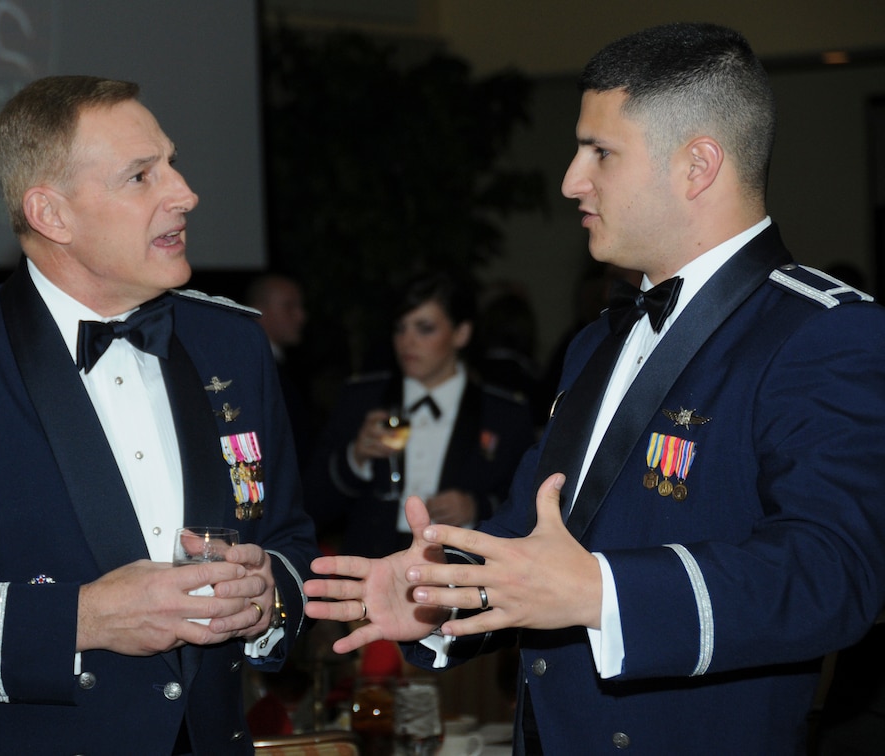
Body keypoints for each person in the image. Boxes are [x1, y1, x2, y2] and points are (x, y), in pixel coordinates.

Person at [303, 23, 885, 755]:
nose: (571, 180)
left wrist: (602, 592)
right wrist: (440, 590)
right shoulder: (597, 342)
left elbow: (835, 573)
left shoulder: (821, 331)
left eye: (600, 152)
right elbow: (536, 536)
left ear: (698, 165)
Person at [0, 76, 319, 755]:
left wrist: (265, 599)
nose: (185, 193)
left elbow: (288, 537)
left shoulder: (231, 343)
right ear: (51, 214)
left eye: (172, 163)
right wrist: (83, 618)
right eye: (141, 175)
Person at [305, 272, 533, 558]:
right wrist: (356, 458)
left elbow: (531, 505)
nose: (407, 341)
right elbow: (311, 504)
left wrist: (477, 507)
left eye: (425, 328)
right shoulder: (362, 398)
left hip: (458, 567)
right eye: (400, 328)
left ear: (461, 333)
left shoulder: (503, 414)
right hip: (372, 561)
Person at [244, 273, 315, 464]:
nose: (301, 316)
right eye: (289, 307)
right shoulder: (254, 370)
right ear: (258, 312)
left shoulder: (288, 367)